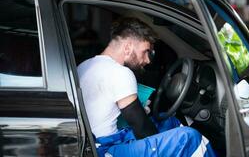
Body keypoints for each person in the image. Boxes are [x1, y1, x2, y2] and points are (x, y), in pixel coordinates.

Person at [77, 17, 216, 157]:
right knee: (190, 138)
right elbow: (143, 131)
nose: (148, 60)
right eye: (146, 51)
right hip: (105, 150)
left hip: (96, 142)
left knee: (168, 121)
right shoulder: (120, 73)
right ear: (127, 47)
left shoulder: (84, 66)